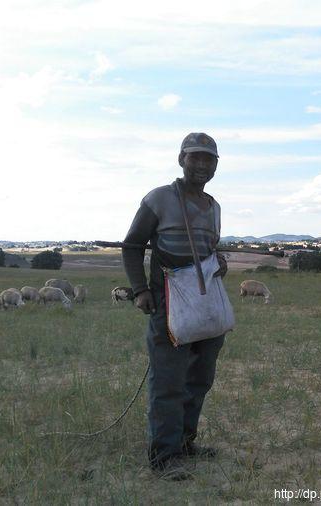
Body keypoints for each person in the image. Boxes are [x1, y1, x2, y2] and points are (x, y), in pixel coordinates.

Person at [122, 132, 228, 480]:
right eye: (194, 157)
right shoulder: (159, 198)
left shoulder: (213, 207)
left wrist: (219, 262)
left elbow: (208, 250)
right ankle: (163, 459)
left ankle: (185, 443)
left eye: (208, 159)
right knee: (168, 380)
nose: (201, 164)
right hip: (168, 298)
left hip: (205, 298)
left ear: (216, 165)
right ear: (181, 159)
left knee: (199, 377)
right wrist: (140, 290)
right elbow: (133, 245)